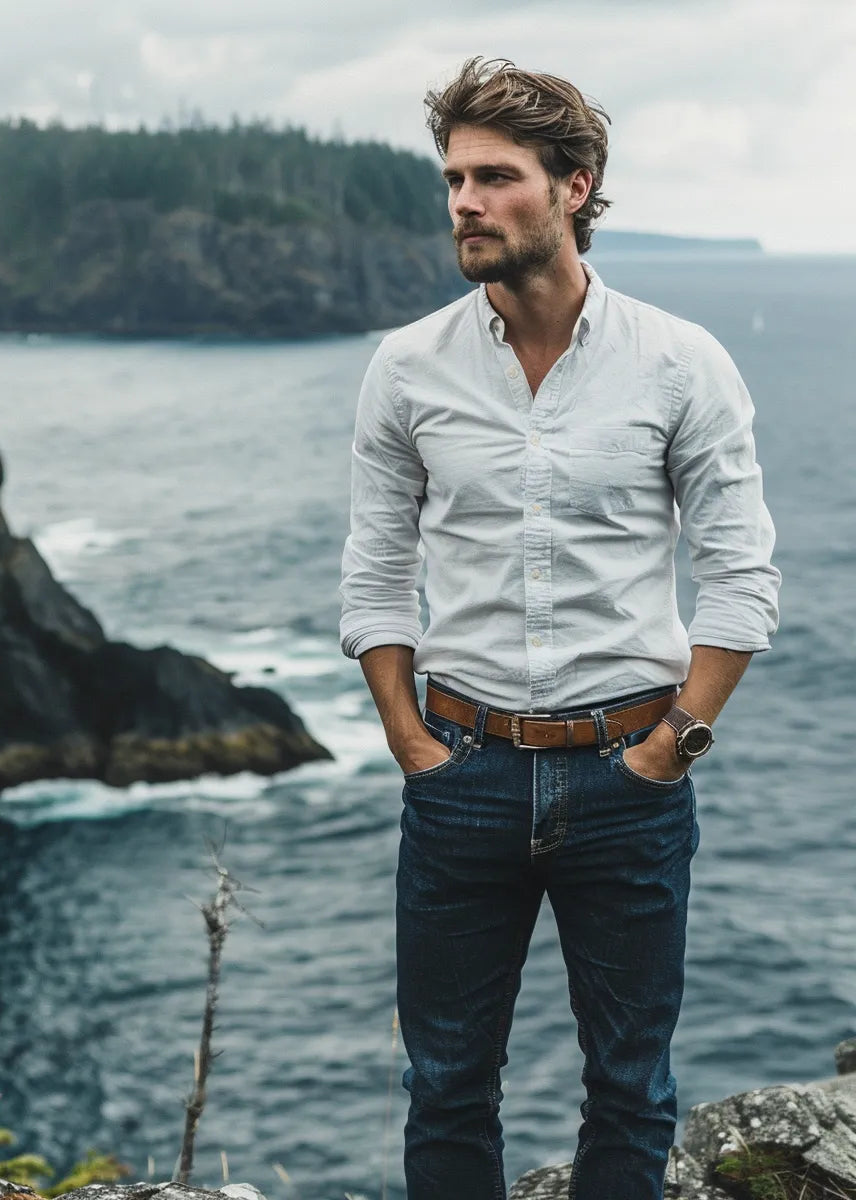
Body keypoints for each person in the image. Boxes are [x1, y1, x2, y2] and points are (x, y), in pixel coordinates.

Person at [337, 56, 780, 1200]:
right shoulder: (408, 368)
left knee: (631, 1090)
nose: (464, 204)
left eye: (495, 177)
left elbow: (741, 579)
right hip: (462, 771)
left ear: (575, 186)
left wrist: (668, 749)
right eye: (452, 180)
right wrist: (410, 744)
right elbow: (376, 573)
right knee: (443, 1086)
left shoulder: (682, 364)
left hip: (628, 783)